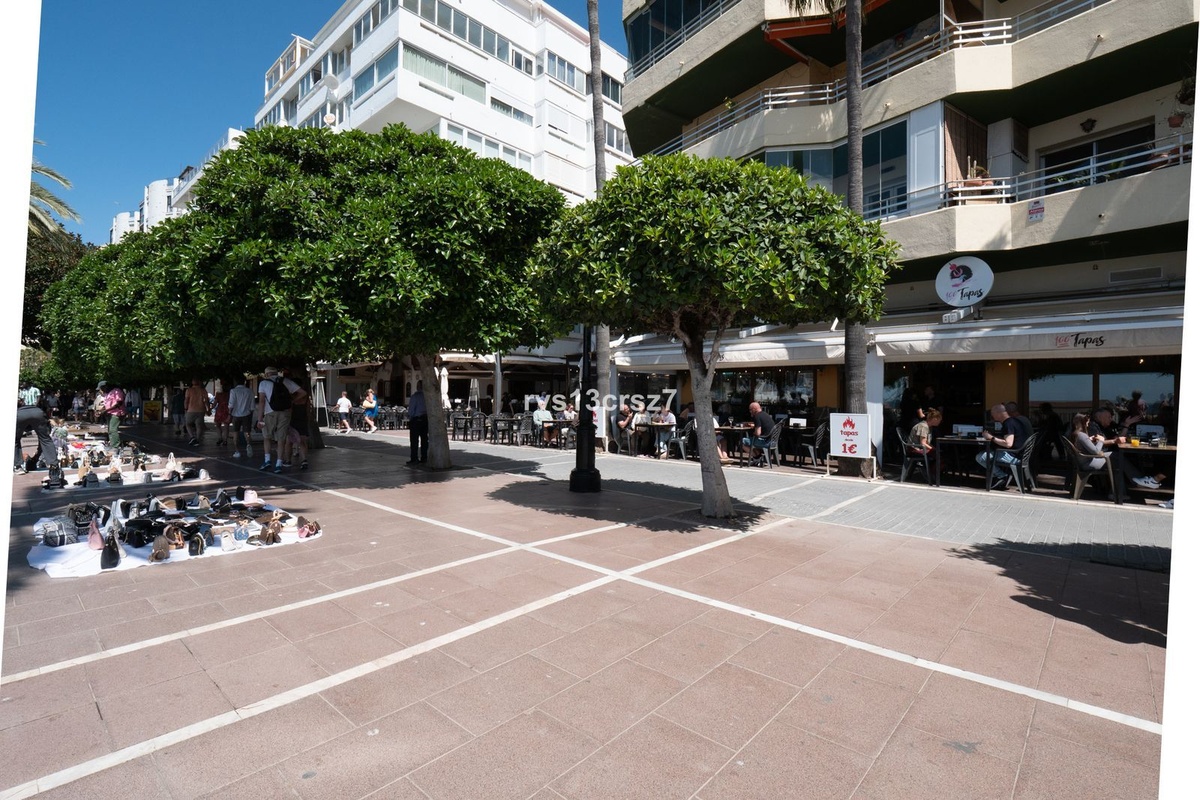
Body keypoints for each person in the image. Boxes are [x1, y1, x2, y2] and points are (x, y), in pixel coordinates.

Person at [1088, 407, 1163, 489]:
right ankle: (1139, 481)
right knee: (1119, 458)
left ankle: (1133, 485)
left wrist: (1126, 425)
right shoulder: (1093, 426)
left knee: (1128, 457)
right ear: (1100, 417)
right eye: (1109, 417)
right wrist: (1114, 441)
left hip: (1106, 454)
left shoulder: (1105, 427)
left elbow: (1119, 438)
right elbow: (1096, 443)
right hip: (1098, 456)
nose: (1111, 419)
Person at [256, 366, 306, 474]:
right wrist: (292, 400)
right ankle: (279, 464)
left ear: (266, 374)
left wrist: (260, 419)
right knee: (281, 439)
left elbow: (261, 402)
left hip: (270, 413)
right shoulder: (286, 381)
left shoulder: (263, 383)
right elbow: (303, 392)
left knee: (267, 437)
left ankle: (267, 460)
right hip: (285, 413)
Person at [976, 403, 1029, 489]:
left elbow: (1008, 444)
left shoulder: (1008, 423)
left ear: (999, 413)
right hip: (1020, 454)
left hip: (1014, 456)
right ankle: (997, 477)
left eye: (992, 413)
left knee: (980, 457)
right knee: (987, 454)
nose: (992, 416)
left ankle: (1001, 476)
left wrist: (991, 437)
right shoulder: (1013, 421)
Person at [14, 401, 56, 472]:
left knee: (15, 441)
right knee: (45, 439)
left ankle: (18, 467)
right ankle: (54, 465)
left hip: (21, 413)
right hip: (37, 413)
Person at [228, 376, 256, 459]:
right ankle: (248, 444)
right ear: (244, 381)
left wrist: (229, 414)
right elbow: (252, 407)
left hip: (235, 415)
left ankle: (237, 451)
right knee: (247, 432)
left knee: (235, 433)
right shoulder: (250, 391)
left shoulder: (233, 391)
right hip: (246, 414)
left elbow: (231, 404)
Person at [741, 401, 775, 467]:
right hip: (772, 441)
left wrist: (753, 432)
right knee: (751, 441)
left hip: (765, 442)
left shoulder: (757, 416)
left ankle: (757, 458)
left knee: (742, 441)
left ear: (754, 409)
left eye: (750, 410)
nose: (750, 412)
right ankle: (758, 458)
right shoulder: (765, 414)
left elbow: (758, 433)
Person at [406, 381, 428, 464]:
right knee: (424, 439)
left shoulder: (415, 397)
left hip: (416, 420)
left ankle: (414, 458)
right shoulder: (427, 397)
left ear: (418, 386)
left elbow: (411, 410)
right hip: (425, 419)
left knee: (414, 440)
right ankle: (424, 457)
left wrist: (410, 418)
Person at [184, 378, 209, 446]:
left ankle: (192, 437)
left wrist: (185, 408)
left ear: (192, 382)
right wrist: (208, 409)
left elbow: (186, 400)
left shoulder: (189, 390)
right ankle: (197, 439)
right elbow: (206, 400)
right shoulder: (203, 390)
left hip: (191, 410)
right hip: (201, 410)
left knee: (188, 424)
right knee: (199, 426)